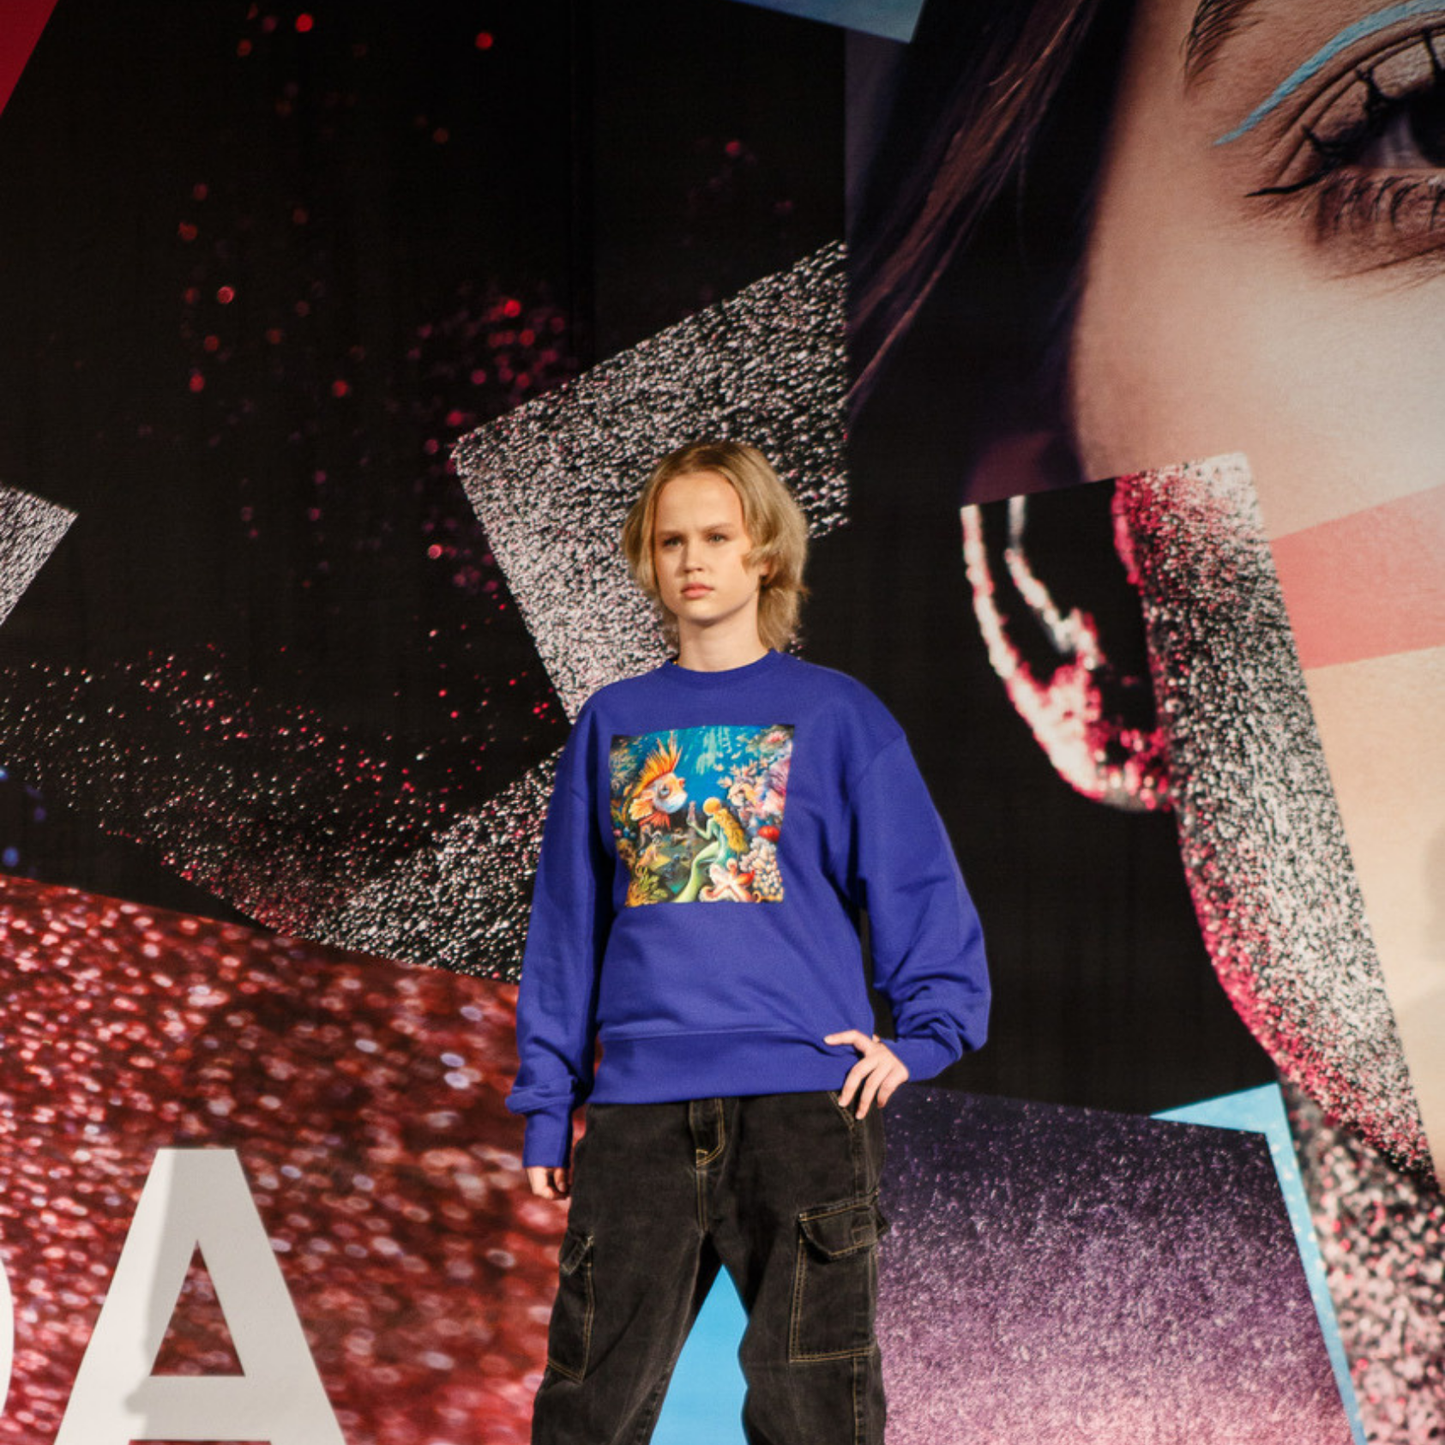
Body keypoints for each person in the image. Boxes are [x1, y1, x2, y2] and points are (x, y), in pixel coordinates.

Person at [506, 439, 990, 1445]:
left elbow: (916, 887)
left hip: (804, 1111)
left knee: (814, 1415)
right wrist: (548, 1102)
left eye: (718, 537)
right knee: (586, 1414)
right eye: (670, 540)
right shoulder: (613, 721)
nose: (693, 559)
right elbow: (565, 926)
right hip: (638, 1117)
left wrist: (925, 1034)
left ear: (764, 552)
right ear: (647, 559)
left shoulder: (837, 714)